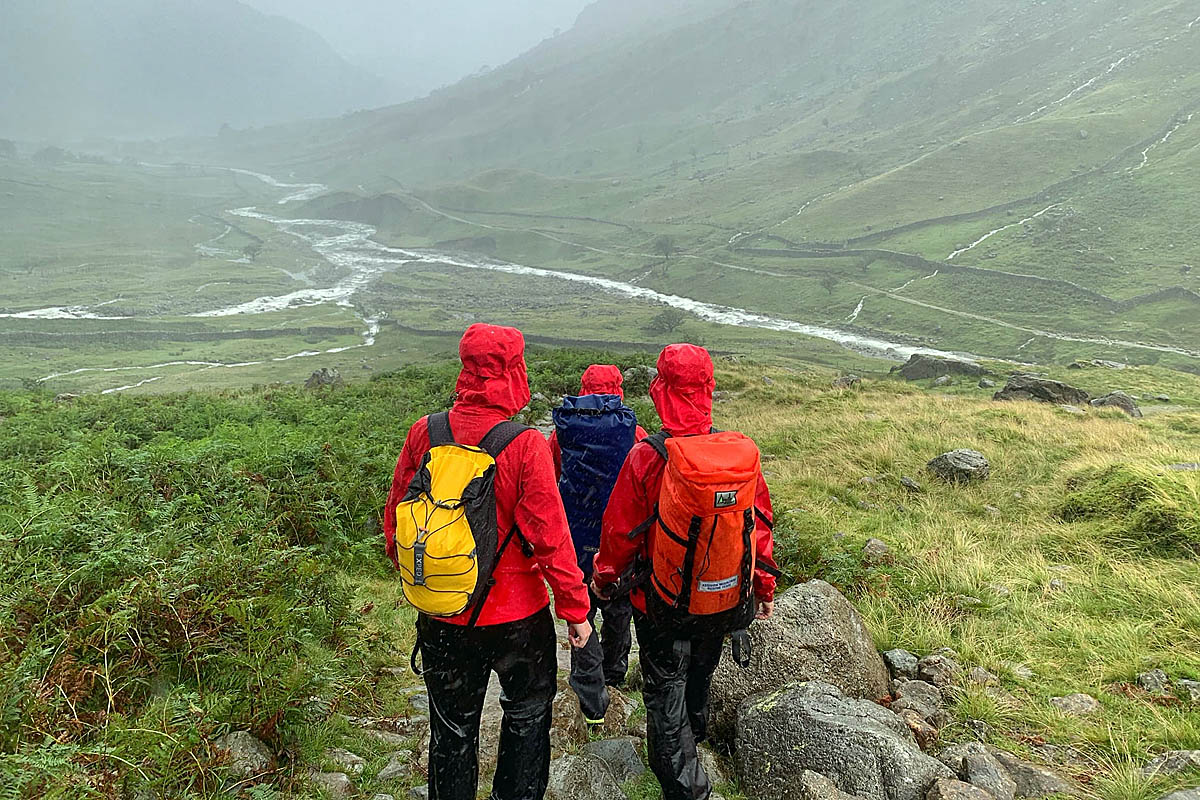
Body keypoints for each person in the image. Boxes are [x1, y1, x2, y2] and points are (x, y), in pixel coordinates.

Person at [383, 323, 592, 800]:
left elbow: (397, 517)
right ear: (514, 373)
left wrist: (421, 574)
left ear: (465, 370)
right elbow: (551, 538)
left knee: (451, 732)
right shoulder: (524, 444)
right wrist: (576, 611)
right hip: (518, 618)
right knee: (527, 717)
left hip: (443, 613)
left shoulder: (426, 432)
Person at [590, 344, 778, 800]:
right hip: (725, 600)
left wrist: (605, 581)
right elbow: (759, 528)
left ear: (661, 390)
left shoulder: (647, 456)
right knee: (700, 671)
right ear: (708, 389)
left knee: (664, 689)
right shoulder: (738, 456)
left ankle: (686, 787)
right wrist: (764, 588)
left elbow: (619, 533)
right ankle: (697, 739)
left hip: (661, 604)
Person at [548, 365, 647, 723]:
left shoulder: (561, 434)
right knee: (619, 611)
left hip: (576, 540)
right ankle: (614, 676)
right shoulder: (635, 433)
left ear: (583, 390)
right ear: (619, 391)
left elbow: (551, 478)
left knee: (582, 611)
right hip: (620, 543)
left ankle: (587, 687)